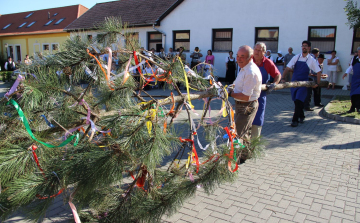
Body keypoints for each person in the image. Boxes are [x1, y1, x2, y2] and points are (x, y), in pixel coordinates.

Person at [282, 41, 323, 127]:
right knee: (296, 101)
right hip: (294, 83)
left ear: (309, 48)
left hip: (304, 84)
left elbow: (318, 71)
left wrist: (317, 84)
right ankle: (302, 115)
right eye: (303, 46)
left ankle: (294, 120)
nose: (304, 47)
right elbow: (288, 67)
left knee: (299, 100)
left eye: (306, 46)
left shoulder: (311, 60)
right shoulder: (296, 57)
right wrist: (283, 77)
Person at [227, 45, 262, 140]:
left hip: (247, 106)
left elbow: (246, 96)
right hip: (241, 105)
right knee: (243, 134)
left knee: (238, 135)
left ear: (250, 57)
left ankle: (241, 155)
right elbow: (237, 84)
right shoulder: (244, 68)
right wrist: (229, 88)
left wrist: (229, 94)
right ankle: (245, 154)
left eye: (242, 56)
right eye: (238, 56)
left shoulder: (250, 72)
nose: (239, 59)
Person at [251, 42, 281, 138]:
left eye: (259, 50)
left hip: (260, 94)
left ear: (264, 52)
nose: (257, 52)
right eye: (255, 49)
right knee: (245, 117)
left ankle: (254, 143)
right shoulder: (249, 60)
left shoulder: (267, 62)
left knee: (258, 118)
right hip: (247, 94)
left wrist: (274, 84)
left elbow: (277, 75)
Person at [342, 46, 360, 112]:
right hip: (355, 78)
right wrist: (345, 73)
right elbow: (351, 67)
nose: (359, 54)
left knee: (358, 93)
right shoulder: (354, 58)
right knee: (353, 93)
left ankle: (358, 107)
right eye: (359, 52)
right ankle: (352, 108)